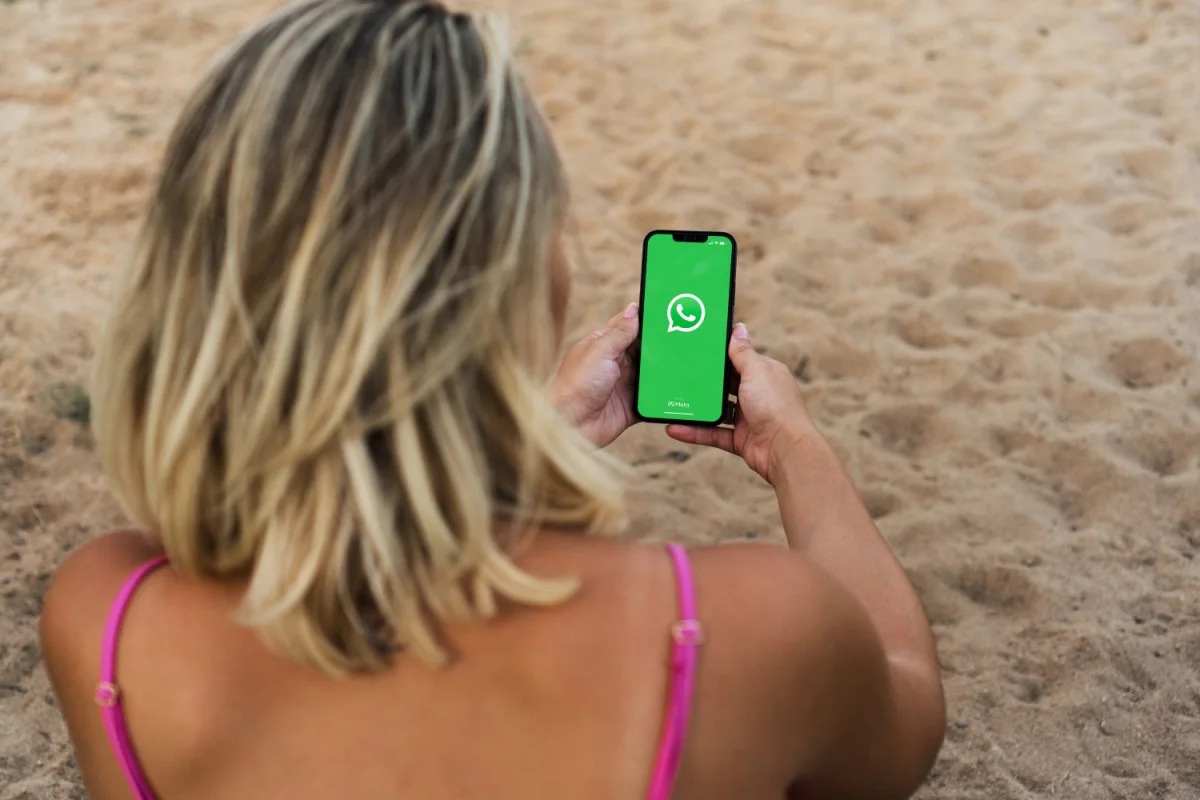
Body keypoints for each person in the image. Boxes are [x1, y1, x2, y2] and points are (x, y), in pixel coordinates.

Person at [38, 1, 945, 798]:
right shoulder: (736, 636)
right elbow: (905, 707)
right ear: (518, 283)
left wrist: (527, 443)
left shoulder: (107, 621)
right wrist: (795, 450)